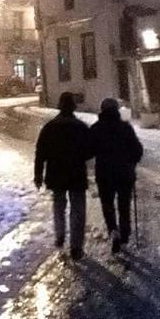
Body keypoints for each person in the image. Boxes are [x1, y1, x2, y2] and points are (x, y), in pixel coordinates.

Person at [34, 92, 94, 260]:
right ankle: (76, 246)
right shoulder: (81, 127)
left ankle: (60, 235)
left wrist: (38, 175)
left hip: (56, 173)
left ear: (59, 106)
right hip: (76, 174)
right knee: (78, 210)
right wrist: (78, 156)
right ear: (73, 107)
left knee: (58, 207)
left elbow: (40, 153)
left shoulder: (50, 127)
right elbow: (90, 151)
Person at [90, 97, 143, 254]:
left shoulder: (96, 129)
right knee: (124, 205)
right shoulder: (125, 128)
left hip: (104, 174)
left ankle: (113, 230)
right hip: (124, 173)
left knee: (107, 205)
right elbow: (138, 150)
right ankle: (125, 235)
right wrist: (132, 162)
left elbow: (88, 150)